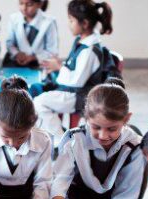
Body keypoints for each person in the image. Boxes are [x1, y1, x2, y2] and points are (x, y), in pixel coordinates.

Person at [33, 0, 119, 144]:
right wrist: (59, 66)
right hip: (70, 92)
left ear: (84, 23)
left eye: (71, 20)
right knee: (37, 90)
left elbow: (77, 81)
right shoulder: (82, 41)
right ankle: (55, 134)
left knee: (38, 103)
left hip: (78, 96)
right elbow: (72, 67)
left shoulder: (90, 50)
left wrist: (59, 67)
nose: (69, 24)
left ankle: (61, 141)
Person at [3, 0, 58, 68]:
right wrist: (17, 54)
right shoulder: (13, 18)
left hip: (38, 64)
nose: (24, 8)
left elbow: (52, 51)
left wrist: (33, 57)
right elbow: (9, 43)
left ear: (39, 4)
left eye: (29, 4)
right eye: (21, 3)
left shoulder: (49, 22)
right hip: (15, 63)